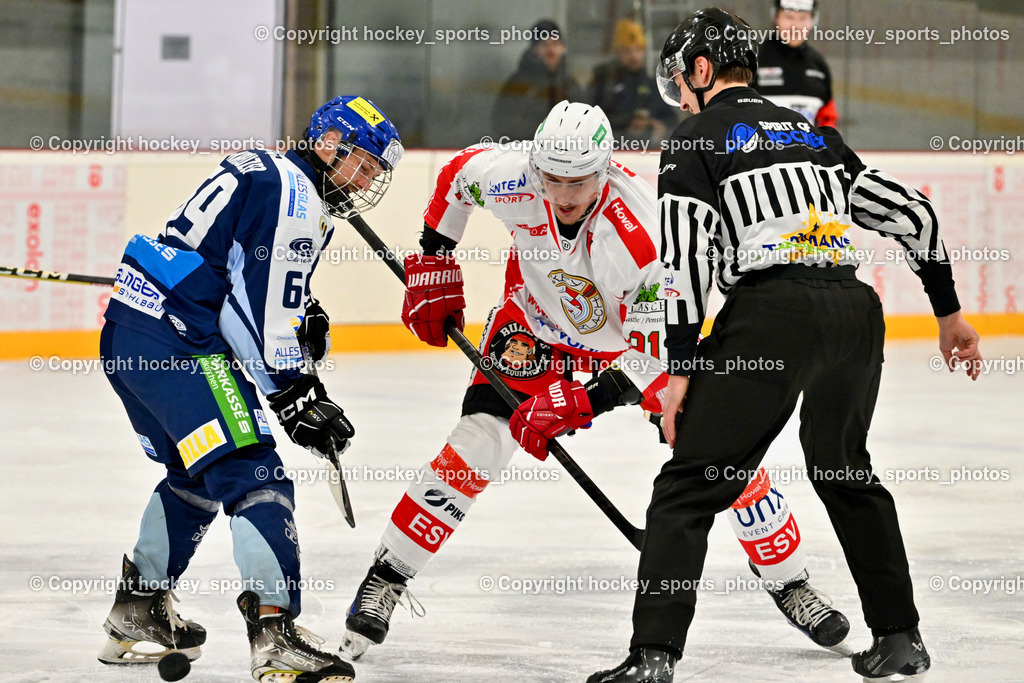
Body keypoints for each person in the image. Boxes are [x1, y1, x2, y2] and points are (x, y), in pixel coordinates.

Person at [338, 100, 850, 661]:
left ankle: (790, 580)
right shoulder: (512, 175)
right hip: (533, 324)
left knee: (719, 450)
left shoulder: (643, 237)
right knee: (476, 443)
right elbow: (458, 174)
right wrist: (435, 259)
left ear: (604, 170)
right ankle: (388, 574)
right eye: (551, 179)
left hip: (632, 346)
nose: (561, 195)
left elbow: (654, 353)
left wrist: (583, 399)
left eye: (577, 181)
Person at [591, 8, 982, 682]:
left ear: (703, 70)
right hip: (854, 314)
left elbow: (685, 264)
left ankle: (653, 656)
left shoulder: (693, 139)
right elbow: (912, 212)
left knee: (687, 487)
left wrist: (680, 373)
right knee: (845, 472)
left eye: (681, 81)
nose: (680, 97)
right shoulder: (813, 134)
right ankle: (900, 637)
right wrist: (948, 313)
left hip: (772, 315)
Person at [97, 95, 403, 682]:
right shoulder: (297, 197)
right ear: (329, 145)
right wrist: (296, 394)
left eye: (373, 172)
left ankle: (137, 609)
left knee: (196, 474)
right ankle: (274, 634)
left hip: (133, 333)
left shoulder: (271, 172)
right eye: (361, 164)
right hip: (181, 343)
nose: (366, 181)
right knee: (253, 471)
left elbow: (239, 272)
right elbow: (252, 316)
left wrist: (303, 308)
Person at [589, 19, 678, 147]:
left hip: (649, 150)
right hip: (613, 149)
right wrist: (626, 124)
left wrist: (661, 127)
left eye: (638, 49)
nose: (633, 55)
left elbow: (672, 120)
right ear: (618, 52)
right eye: (626, 50)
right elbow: (591, 121)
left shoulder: (653, 83)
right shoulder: (604, 82)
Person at [492, 19, 584, 141]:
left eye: (555, 44)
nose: (551, 50)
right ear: (534, 49)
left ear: (562, 47)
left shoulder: (570, 84)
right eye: (545, 45)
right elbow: (503, 123)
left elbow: (584, 121)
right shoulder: (519, 83)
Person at [753, 0, 838, 128]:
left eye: (803, 18)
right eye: (788, 17)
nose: (796, 26)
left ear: (813, 20)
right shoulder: (753, 60)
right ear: (775, 17)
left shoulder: (819, 66)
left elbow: (827, 120)